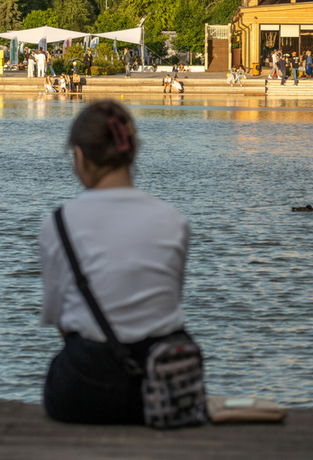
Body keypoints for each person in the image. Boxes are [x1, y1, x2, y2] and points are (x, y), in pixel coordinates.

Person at [40, 100, 193, 425]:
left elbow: (59, 319)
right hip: (162, 384)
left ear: (79, 155)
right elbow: (168, 303)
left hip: (83, 388)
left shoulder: (59, 222)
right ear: (132, 151)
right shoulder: (174, 220)